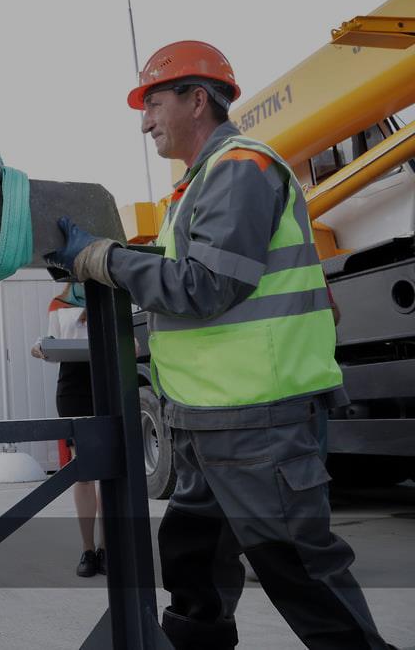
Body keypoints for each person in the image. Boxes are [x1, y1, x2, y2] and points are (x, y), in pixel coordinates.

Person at [45, 41, 391, 650]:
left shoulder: (238, 169)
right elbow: (186, 270)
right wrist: (94, 263)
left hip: (257, 417)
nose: (145, 122)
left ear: (197, 100)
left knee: (295, 566)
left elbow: (205, 286)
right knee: (193, 559)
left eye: (154, 103)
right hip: (208, 416)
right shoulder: (200, 184)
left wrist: (104, 259)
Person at [31, 283, 104, 577]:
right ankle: (88, 550)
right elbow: (51, 341)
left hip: (108, 381)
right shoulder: (59, 303)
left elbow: (131, 341)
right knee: (83, 471)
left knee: (109, 473)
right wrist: (40, 348)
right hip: (74, 386)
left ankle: (107, 548)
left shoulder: (113, 296)